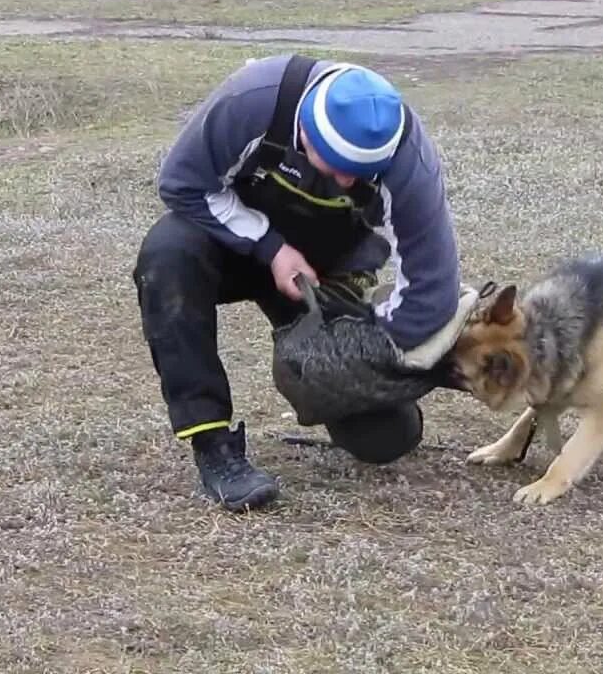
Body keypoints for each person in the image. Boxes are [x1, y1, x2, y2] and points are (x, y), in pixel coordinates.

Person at [132, 53, 465, 512]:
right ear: (304, 131)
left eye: (359, 171)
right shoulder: (253, 100)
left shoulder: (407, 158)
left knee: (387, 439)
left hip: (323, 272)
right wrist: (270, 248)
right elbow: (182, 184)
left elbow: (433, 290)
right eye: (334, 164)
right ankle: (214, 446)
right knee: (167, 258)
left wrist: (361, 358)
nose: (347, 179)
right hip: (230, 245)